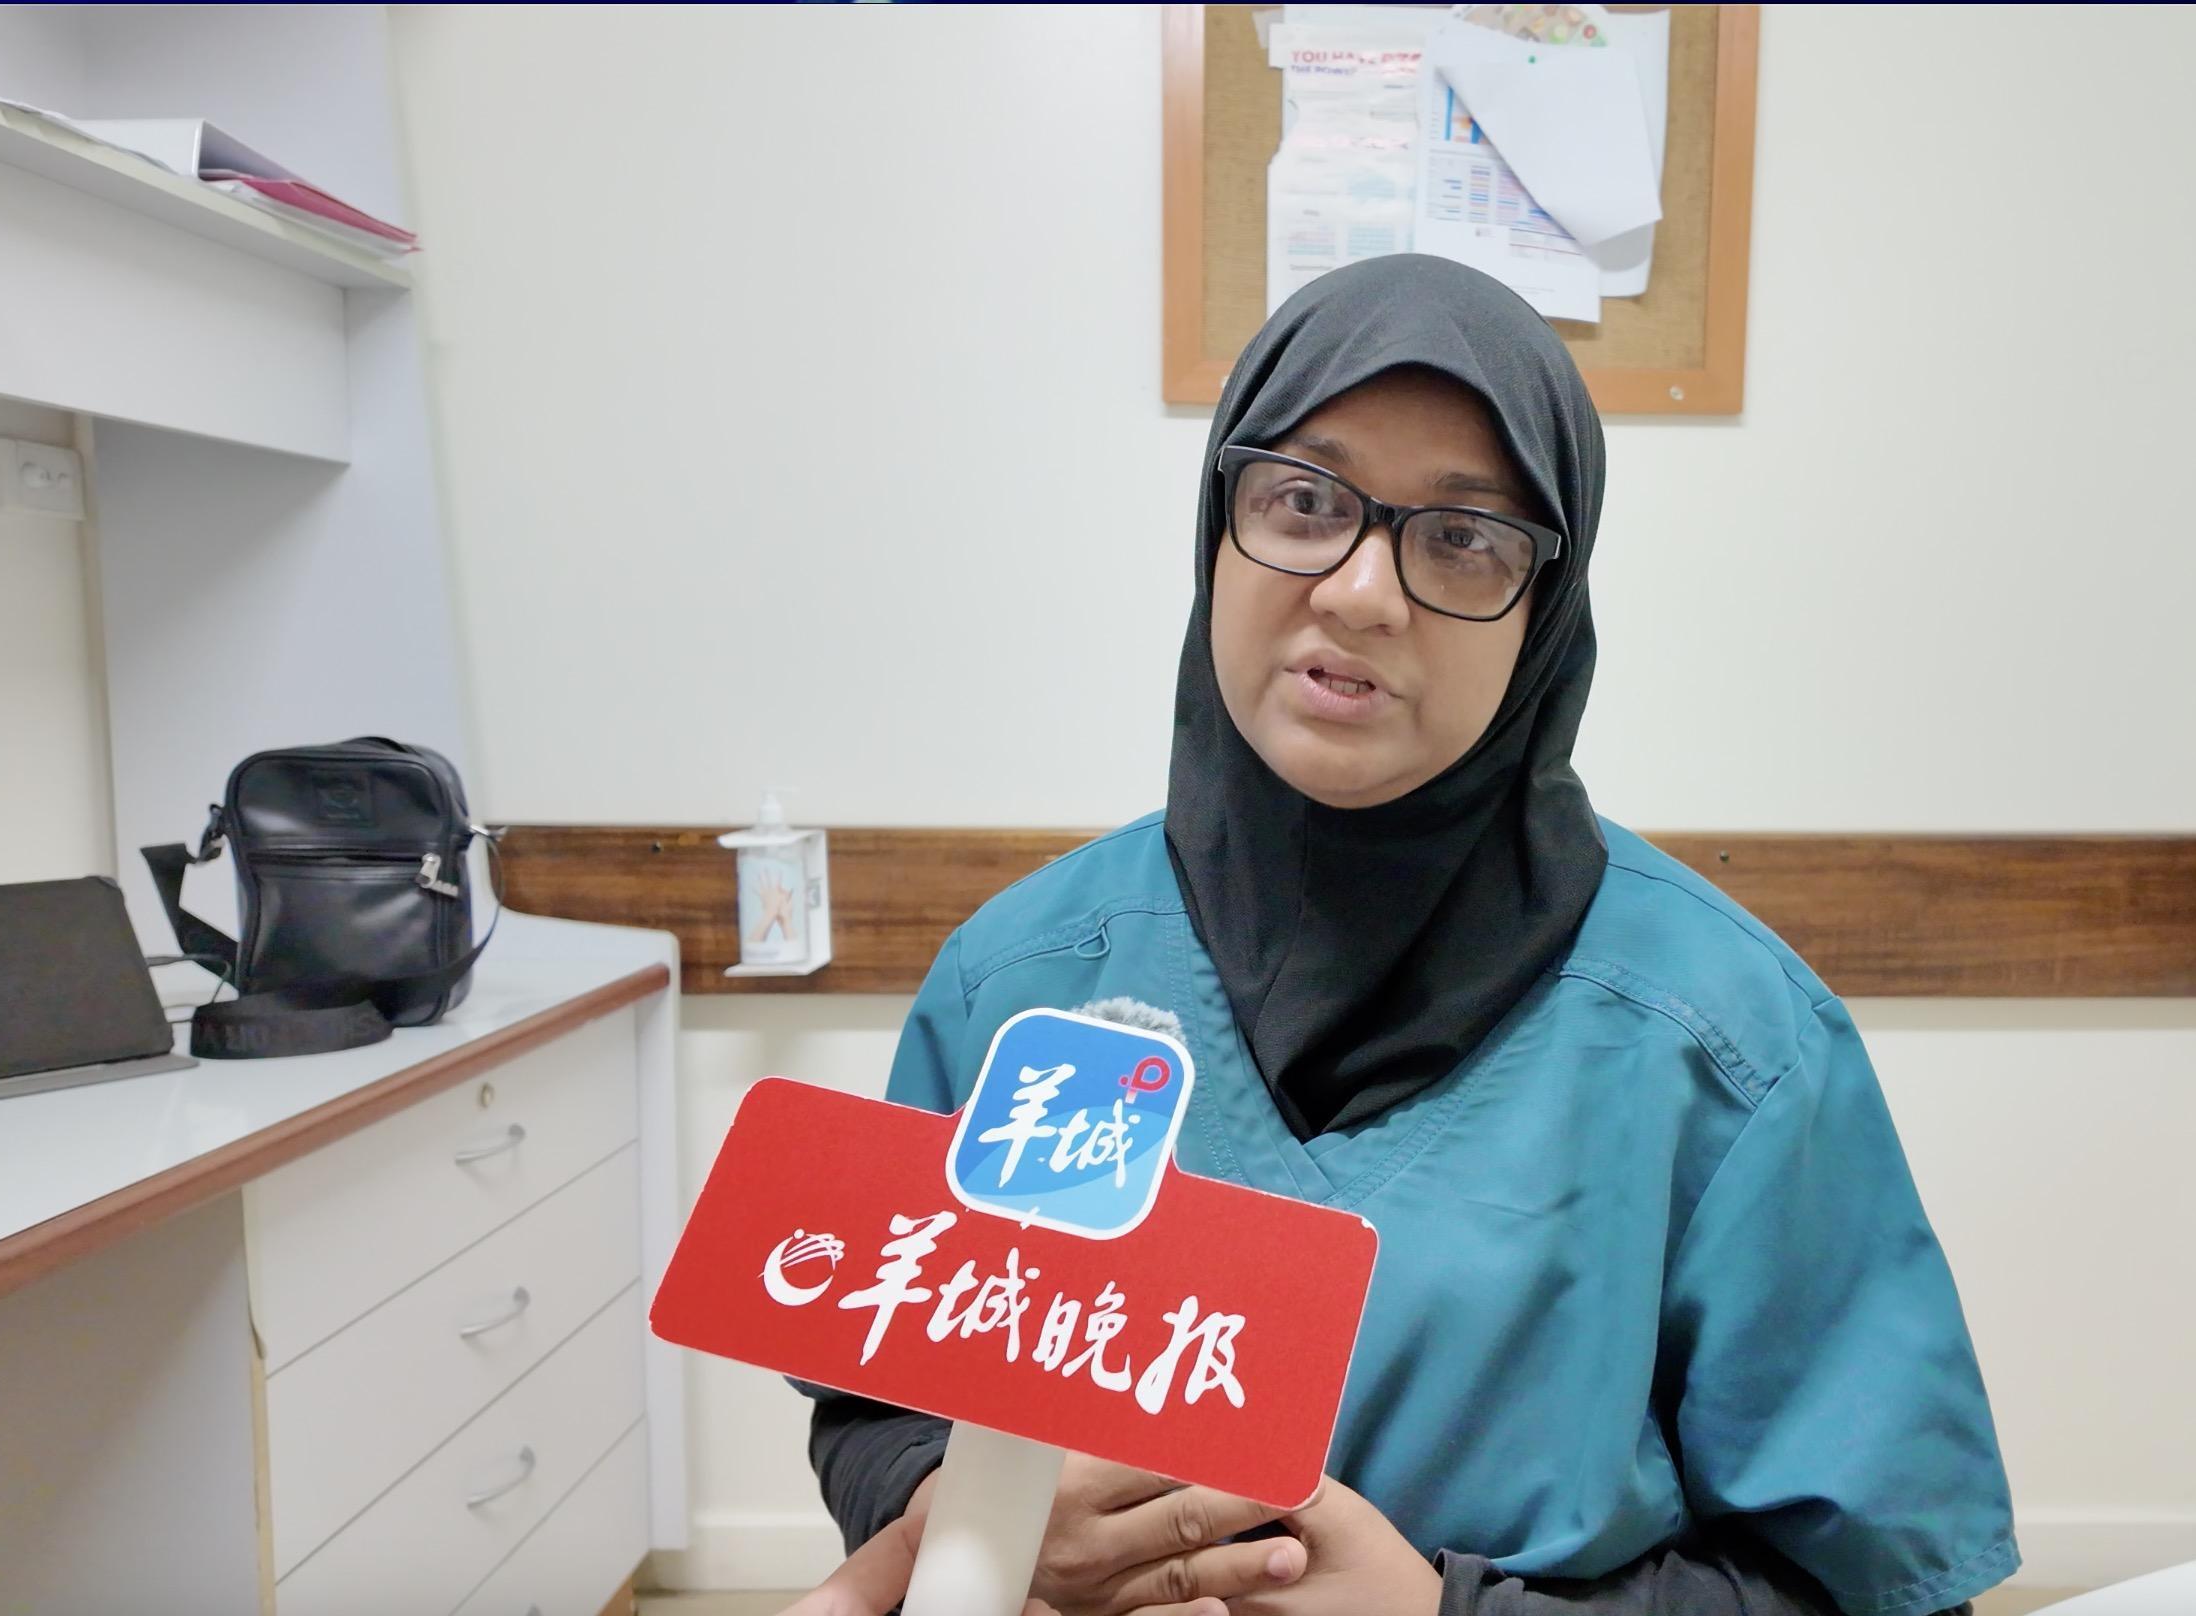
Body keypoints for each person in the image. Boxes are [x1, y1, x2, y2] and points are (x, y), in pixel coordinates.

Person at [789, 253, 2018, 1616]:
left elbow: (1881, 1590)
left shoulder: (1727, 1047)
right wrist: (953, 1508)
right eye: (1304, 499)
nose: (1362, 591)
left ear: (1545, 612)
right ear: (1217, 528)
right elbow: (877, 1391)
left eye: (1464, 536)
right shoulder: (1020, 981)